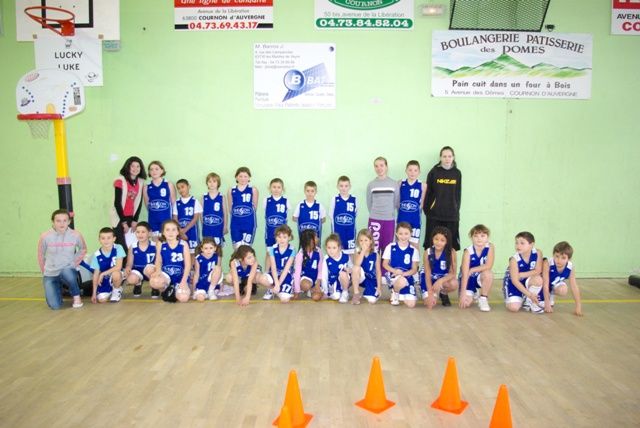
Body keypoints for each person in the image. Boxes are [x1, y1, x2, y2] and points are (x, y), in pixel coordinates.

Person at [37, 209, 87, 310]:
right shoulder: (45, 236)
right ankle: (57, 290)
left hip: (67, 269)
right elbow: (40, 254)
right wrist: (45, 271)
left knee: (68, 272)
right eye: (58, 221)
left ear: (69, 222)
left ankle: (76, 297)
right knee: (55, 306)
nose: (62, 223)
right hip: (51, 272)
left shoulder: (76, 235)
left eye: (65, 220)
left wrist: (74, 262)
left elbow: (83, 249)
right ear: (53, 222)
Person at [423, 146, 462, 251]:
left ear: (453, 157)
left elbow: (458, 194)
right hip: (434, 215)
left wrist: (455, 209)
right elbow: (428, 192)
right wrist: (428, 210)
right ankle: (429, 262)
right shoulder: (434, 172)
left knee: (451, 245)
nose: (447, 159)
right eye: (444, 156)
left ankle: (450, 263)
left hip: (451, 216)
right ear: (440, 158)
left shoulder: (457, 173)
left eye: (449, 156)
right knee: (431, 244)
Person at [366, 157, 398, 267]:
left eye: (381, 165)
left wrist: (387, 213)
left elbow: (396, 202)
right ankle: (373, 271)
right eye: (376, 166)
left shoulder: (394, 184)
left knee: (387, 247)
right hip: (375, 220)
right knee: (373, 247)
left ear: (386, 167)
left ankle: (384, 272)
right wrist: (376, 214)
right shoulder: (371, 184)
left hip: (389, 220)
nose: (379, 168)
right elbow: (369, 203)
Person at [149, 219, 191, 303]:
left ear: (178, 232)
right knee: (154, 282)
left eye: (173, 230)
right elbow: (158, 260)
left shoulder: (183, 244)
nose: (170, 232)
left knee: (183, 298)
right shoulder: (160, 243)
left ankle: (176, 289)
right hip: (166, 275)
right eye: (167, 230)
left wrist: (183, 282)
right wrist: (158, 271)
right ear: (163, 232)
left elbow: (188, 265)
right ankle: (165, 289)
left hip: (180, 276)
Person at [110, 156, 146, 252]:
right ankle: (120, 262)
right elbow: (117, 203)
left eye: (138, 166)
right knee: (121, 246)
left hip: (131, 217)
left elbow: (139, 203)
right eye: (132, 166)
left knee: (130, 245)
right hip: (119, 217)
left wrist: (135, 220)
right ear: (128, 167)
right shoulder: (120, 180)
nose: (135, 169)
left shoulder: (140, 182)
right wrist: (123, 222)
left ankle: (129, 262)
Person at [503, 231, 544, 313]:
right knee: (514, 308)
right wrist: (530, 294)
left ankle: (529, 301)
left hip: (527, 280)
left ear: (531, 245)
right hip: (514, 284)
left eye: (522, 243)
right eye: (516, 243)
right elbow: (515, 281)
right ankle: (525, 297)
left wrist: (521, 274)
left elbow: (538, 270)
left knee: (538, 279)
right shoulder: (514, 260)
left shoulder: (538, 253)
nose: (518, 246)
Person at [382, 222, 420, 308]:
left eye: (406, 233)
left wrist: (402, 274)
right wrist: (395, 271)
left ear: (411, 234)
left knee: (411, 304)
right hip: (393, 275)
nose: (403, 236)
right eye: (400, 233)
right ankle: (395, 292)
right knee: (401, 281)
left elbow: (414, 269)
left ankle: (401, 291)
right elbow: (384, 264)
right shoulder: (390, 247)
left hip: (406, 276)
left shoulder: (414, 250)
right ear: (396, 234)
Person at [458, 224, 494, 312]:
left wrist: (472, 269)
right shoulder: (468, 252)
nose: (479, 238)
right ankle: (474, 291)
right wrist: (462, 294)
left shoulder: (490, 247)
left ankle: (483, 298)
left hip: (479, 276)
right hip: (468, 277)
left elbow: (488, 265)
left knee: (488, 273)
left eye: (482, 236)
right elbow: (465, 274)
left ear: (487, 237)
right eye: (476, 236)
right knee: (466, 303)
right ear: (471, 238)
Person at [541, 241, 583, 316]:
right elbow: (545, 283)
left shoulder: (570, 267)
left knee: (563, 290)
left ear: (569, 259)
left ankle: (551, 295)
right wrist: (547, 303)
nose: (559, 260)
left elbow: (574, 286)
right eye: (557, 256)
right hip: (541, 285)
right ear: (553, 255)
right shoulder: (548, 263)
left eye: (563, 258)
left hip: (553, 284)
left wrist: (578, 306)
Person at [421, 226, 459, 309]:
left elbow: (452, 273)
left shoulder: (451, 252)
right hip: (429, 278)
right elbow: (427, 274)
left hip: (441, 277)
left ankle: (443, 293)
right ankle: (425, 290)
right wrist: (430, 293)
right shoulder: (428, 252)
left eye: (442, 240)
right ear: (432, 239)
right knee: (430, 304)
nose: (438, 242)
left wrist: (440, 281)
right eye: (436, 239)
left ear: (447, 241)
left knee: (454, 284)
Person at [90, 227, 126, 303]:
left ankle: (116, 290)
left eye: (109, 238)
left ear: (114, 239)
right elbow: (96, 274)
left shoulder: (118, 248)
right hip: (105, 278)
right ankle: (110, 289)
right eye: (103, 238)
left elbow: (118, 267)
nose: (106, 241)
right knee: (102, 300)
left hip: (117, 274)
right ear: (99, 240)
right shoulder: (96, 255)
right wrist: (94, 293)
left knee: (116, 274)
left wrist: (102, 274)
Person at [123, 221, 156, 298]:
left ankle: (154, 287)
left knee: (150, 269)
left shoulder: (155, 246)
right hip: (137, 271)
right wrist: (128, 267)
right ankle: (138, 284)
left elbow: (158, 261)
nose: (140, 234)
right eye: (138, 232)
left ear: (149, 233)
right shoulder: (133, 246)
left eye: (143, 232)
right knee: (131, 279)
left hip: (150, 272)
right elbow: (129, 262)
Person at [397, 160, 426, 247]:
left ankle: (416, 257)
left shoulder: (423, 185)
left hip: (414, 220)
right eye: (410, 170)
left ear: (419, 172)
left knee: (414, 245)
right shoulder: (400, 183)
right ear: (406, 171)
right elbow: (397, 201)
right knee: (400, 244)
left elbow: (422, 204)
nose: (412, 173)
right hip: (402, 219)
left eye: (415, 170)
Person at [143, 161, 176, 238]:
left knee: (167, 241)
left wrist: (174, 220)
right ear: (149, 172)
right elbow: (147, 205)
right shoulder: (146, 187)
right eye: (151, 169)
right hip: (153, 221)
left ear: (162, 170)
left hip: (167, 220)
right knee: (156, 242)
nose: (154, 171)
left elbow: (174, 204)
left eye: (156, 169)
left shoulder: (169, 184)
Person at [228, 167, 258, 248]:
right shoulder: (231, 190)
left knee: (247, 249)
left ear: (249, 177)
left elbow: (254, 207)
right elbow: (230, 208)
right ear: (236, 177)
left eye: (245, 176)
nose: (243, 178)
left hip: (249, 223)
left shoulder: (253, 189)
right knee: (236, 248)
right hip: (236, 224)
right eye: (240, 176)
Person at [264, 225, 296, 302]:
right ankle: (271, 289)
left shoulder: (292, 250)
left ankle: (278, 290)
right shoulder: (272, 249)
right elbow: (273, 267)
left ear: (289, 238)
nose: (282, 240)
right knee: (262, 278)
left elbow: (286, 269)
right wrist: (277, 284)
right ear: (276, 237)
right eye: (279, 237)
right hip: (275, 274)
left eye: (284, 237)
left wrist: (278, 284)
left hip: (286, 275)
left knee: (285, 300)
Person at [351, 229, 382, 305]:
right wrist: (363, 251)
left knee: (372, 300)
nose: (363, 242)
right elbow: (357, 264)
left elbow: (378, 272)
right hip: (361, 278)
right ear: (358, 242)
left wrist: (379, 287)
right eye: (361, 240)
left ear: (371, 241)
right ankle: (356, 293)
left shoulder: (375, 254)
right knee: (355, 268)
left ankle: (371, 291)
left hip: (371, 279)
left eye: (366, 240)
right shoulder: (357, 251)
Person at [264, 178, 290, 268]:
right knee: (269, 252)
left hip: (282, 234)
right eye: (274, 187)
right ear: (270, 188)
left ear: (282, 189)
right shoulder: (266, 200)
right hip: (270, 232)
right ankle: (267, 271)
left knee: (281, 253)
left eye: (279, 187)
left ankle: (280, 271)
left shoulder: (286, 200)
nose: (276, 189)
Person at [330, 176, 357, 257]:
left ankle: (351, 265)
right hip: (338, 231)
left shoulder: (354, 199)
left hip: (350, 231)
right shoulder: (335, 199)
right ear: (337, 186)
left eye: (346, 186)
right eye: (341, 186)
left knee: (351, 252)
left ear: (350, 186)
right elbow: (331, 214)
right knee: (337, 250)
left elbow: (355, 213)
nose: (343, 188)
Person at [173, 178, 202, 254]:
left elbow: (195, 218)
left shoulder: (195, 201)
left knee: (194, 253)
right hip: (180, 231)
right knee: (182, 253)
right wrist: (180, 232)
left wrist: (184, 231)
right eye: (178, 188)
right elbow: (175, 219)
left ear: (188, 186)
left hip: (192, 232)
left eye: (182, 187)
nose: (180, 190)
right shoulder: (177, 202)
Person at [321, 234, 352, 303]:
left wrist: (349, 269)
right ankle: (336, 292)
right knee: (336, 296)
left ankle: (345, 292)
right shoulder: (326, 259)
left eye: (334, 248)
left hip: (343, 280)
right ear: (326, 248)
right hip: (333, 282)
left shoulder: (346, 256)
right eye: (329, 248)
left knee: (343, 273)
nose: (331, 250)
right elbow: (324, 276)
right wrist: (325, 291)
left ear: (339, 247)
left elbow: (351, 268)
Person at [292, 229, 323, 300]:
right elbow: (297, 274)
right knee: (306, 285)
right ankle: (307, 289)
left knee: (316, 298)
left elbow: (320, 269)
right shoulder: (300, 254)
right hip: (306, 278)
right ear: (310, 241)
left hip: (316, 279)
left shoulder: (319, 251)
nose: (318, 238)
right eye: (316, 237)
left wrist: (318, 284)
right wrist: (297, 291)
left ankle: (312, 290)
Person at [193, 237, 223, 302]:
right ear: (202, 249)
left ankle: (211, 290)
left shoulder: (217, 257)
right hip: (203, 282)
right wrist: (194, 289)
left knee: (218, 268)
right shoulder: (198, 258)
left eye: (211, 248)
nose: (208, 250)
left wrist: (221, 284)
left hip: (213, 281)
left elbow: (219, 271)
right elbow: (196, 274)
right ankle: (206, 294)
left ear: (215, 248)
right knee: (200, 298)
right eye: (206, 248)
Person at [201, 172, 226, 247]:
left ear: (218, 183)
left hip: (218, 227)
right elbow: (201, 213)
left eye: (214, 181)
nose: (212, 184)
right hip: (207, 227)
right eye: (209, 181)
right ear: (207, 183)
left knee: (218, 248)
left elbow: (225, 213)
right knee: (207, 247)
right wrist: (203, 224)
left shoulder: (222, 197)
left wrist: (225, 226)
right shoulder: (203, 197)